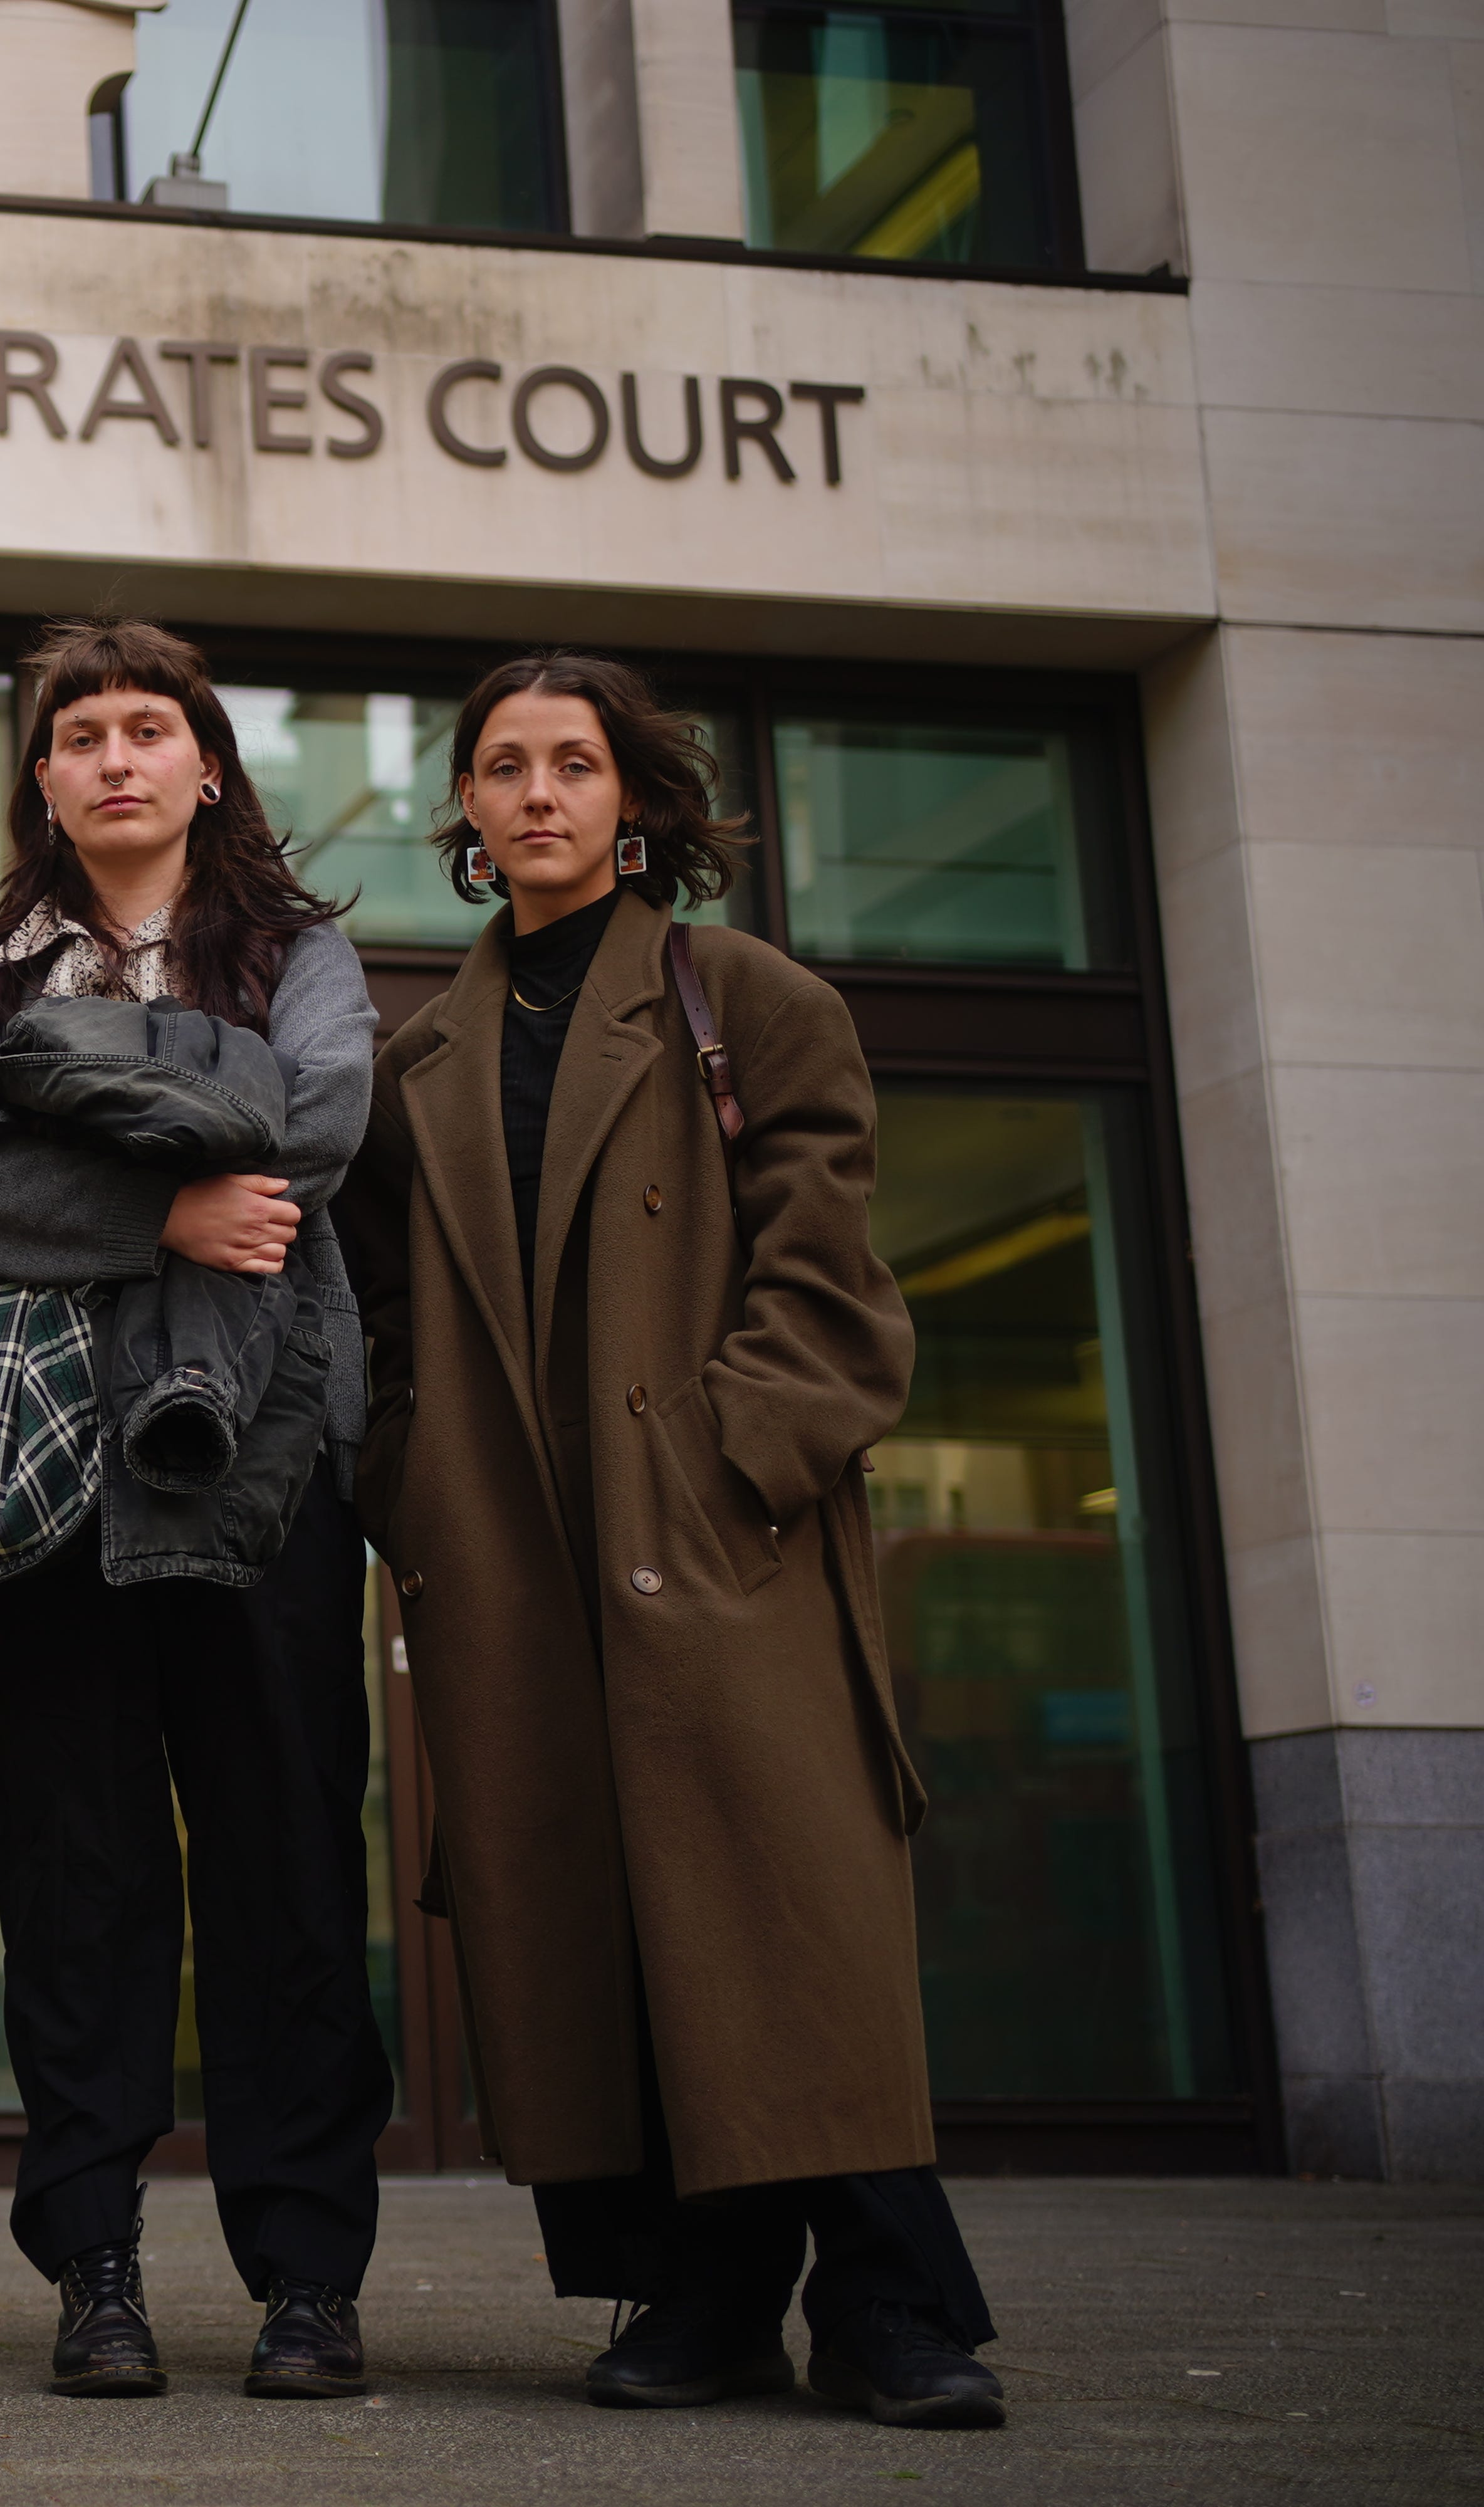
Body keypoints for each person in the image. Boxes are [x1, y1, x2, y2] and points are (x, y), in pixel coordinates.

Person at [342, 650, 1006, 2430]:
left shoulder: (752, 998)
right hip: (514, 1558)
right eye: (503, 767)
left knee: (785, 1920)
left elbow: (834, 1290)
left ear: (635, 799)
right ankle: (705, 2298)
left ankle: (887, 2304)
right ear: (468, 816)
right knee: (606, 1928)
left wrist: (733, 1468)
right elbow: (389, 1332)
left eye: (575, 762)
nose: (540, 791)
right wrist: (413, 1493)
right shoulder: (420, 1063)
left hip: (720, 1539)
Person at [0, 619, 392, 2401]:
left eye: (146, 729)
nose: (114, 756)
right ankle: (94, 2268)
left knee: (286, 1873)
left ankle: (306, 2280)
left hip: (266, 1460)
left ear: (203, 764)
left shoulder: (306, 955)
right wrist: (169, 1218)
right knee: (77, 1883)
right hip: (43, 1464)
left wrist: (79, 1113)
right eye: (80, 733)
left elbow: (323, 1122)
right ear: (42, 777)